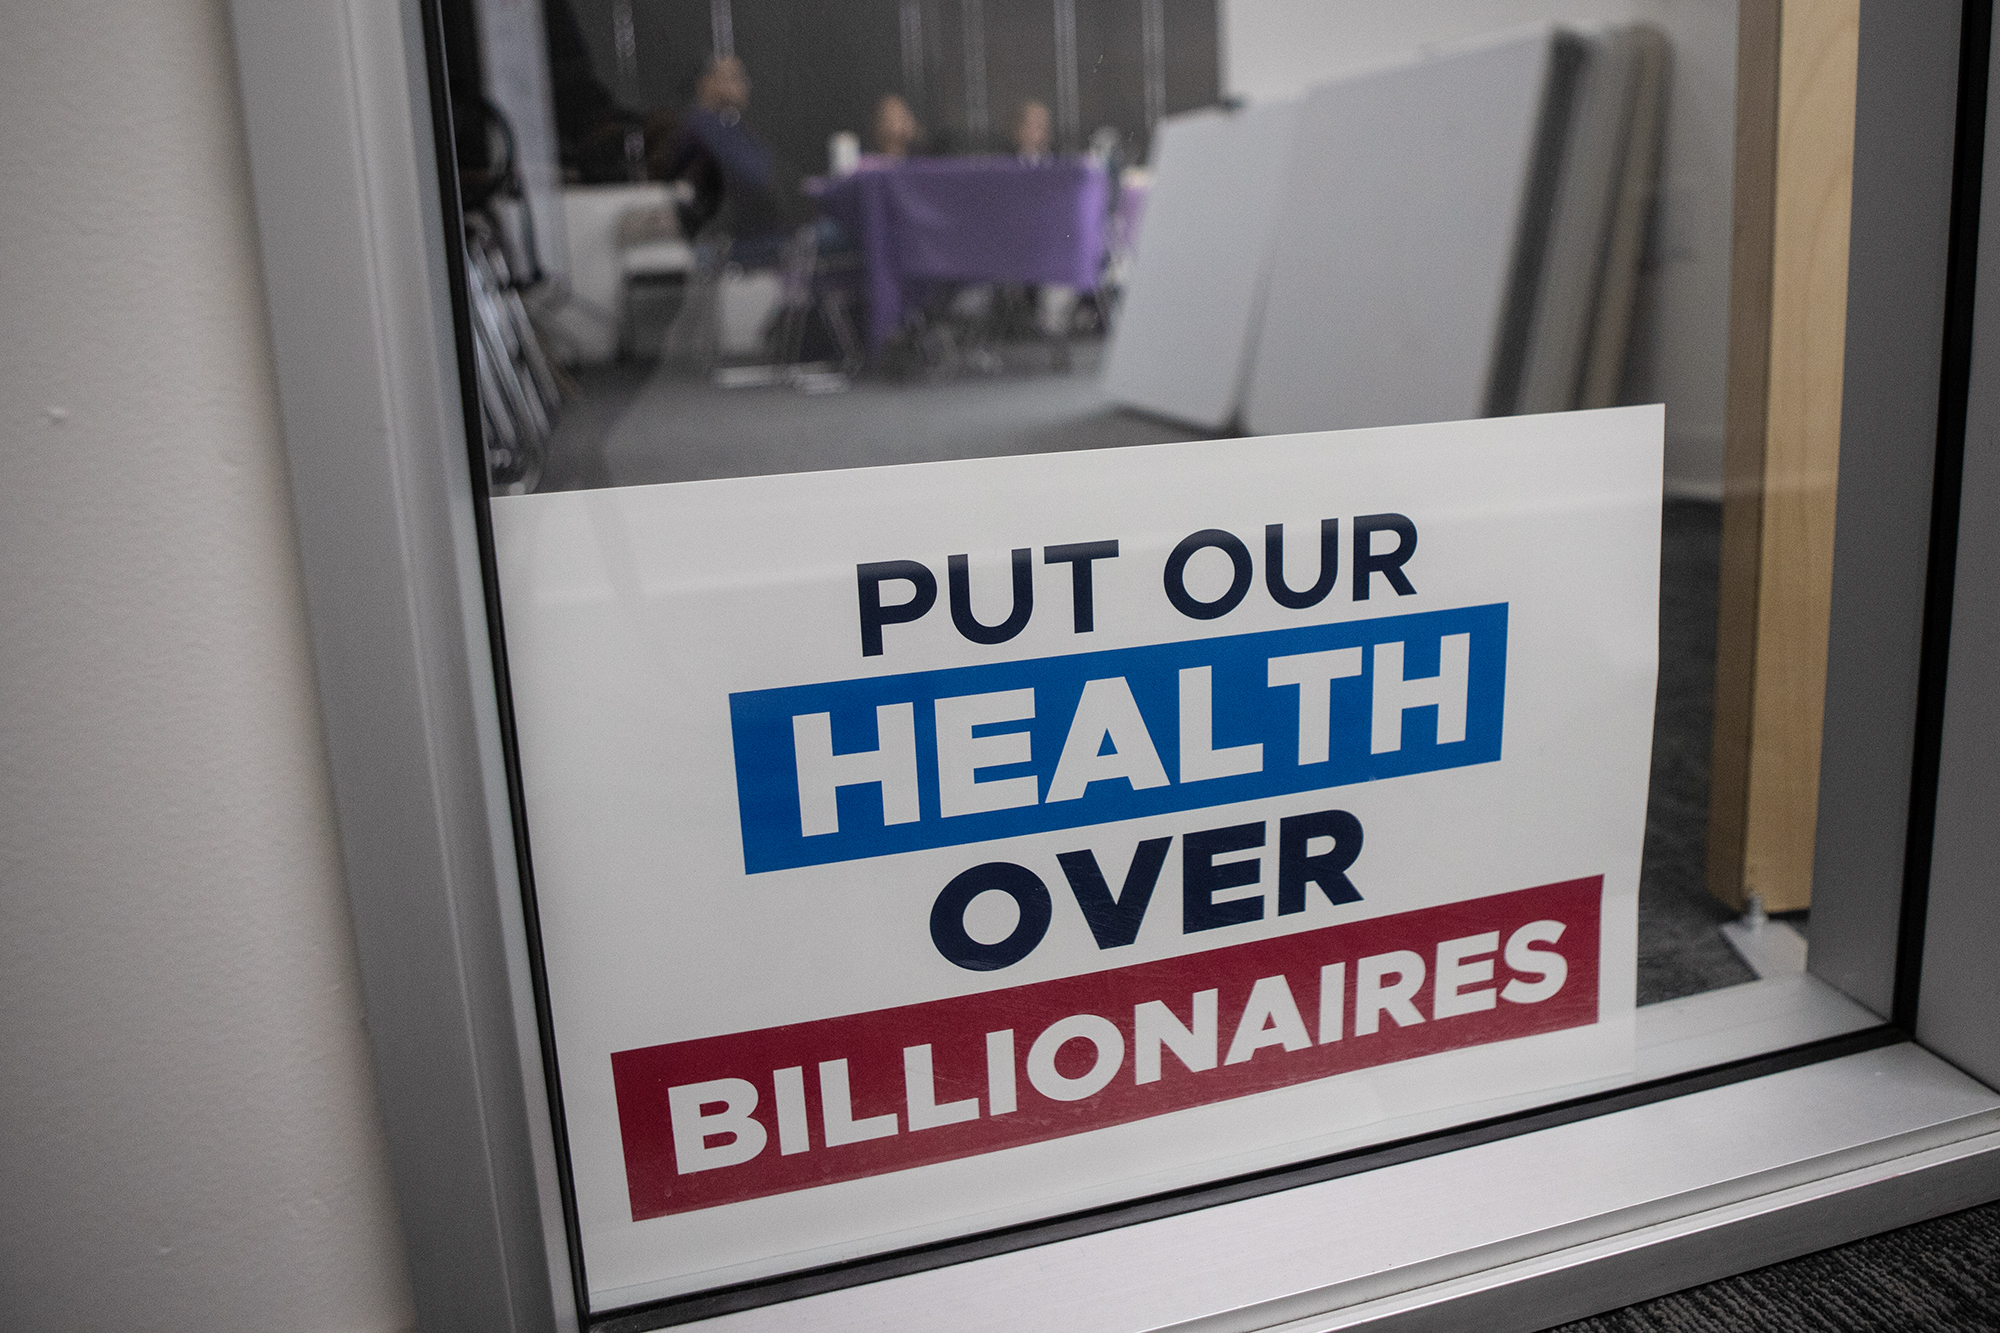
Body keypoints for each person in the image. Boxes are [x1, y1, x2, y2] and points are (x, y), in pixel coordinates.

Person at [661, 55, 805, 264]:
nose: (743, 84)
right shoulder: (701, 127)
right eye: (733, 77)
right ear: (706, 83)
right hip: (736, 242)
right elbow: (754, 177)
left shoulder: (727, 124)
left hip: (763, 234)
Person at [871, 93, 924, 160]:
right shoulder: (869, 162)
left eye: (901, 117)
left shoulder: (923, 160)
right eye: (889, 119)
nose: (896, 125)